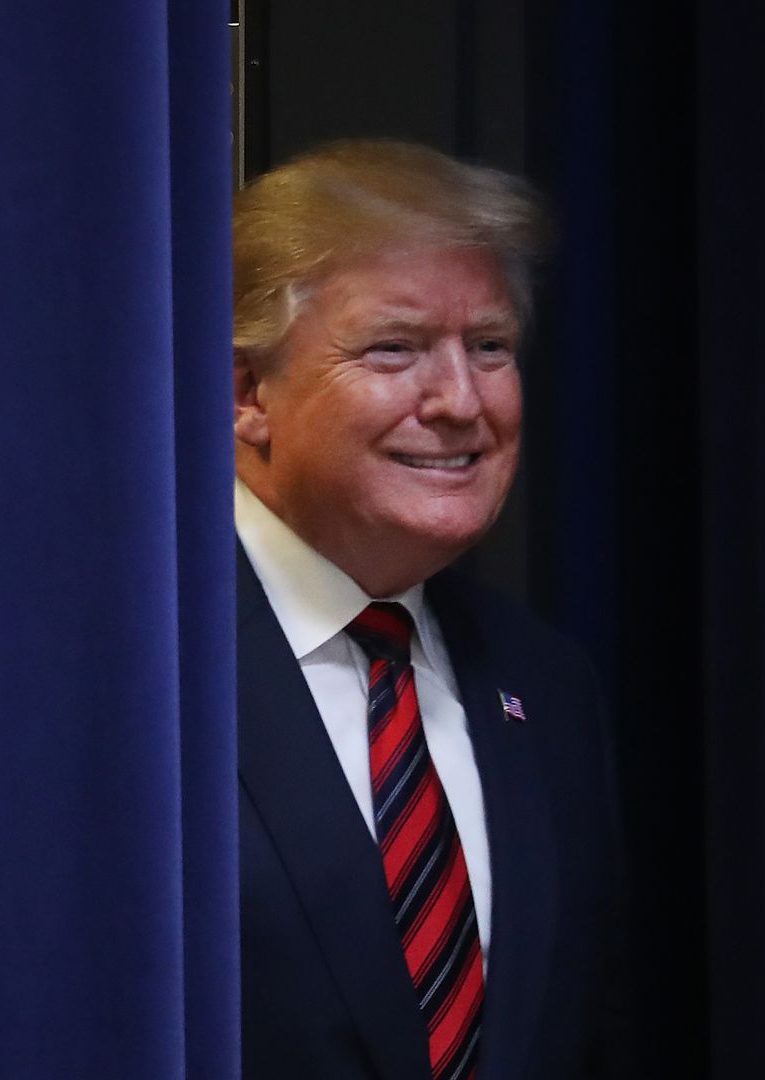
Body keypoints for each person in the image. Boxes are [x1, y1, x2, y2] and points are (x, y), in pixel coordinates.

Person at [232, 141, 630, 1079]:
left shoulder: (548, 686)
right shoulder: (137, 669)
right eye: (395, 349)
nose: (460, 402)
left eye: (489, 347)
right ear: (251, 392)